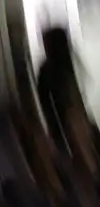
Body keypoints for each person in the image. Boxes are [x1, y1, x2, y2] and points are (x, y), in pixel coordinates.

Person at [36, 26, 89, 156]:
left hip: (65, 120)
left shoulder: (53, 68)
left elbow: (45, 102)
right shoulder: (63, 66)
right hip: (67, 120)